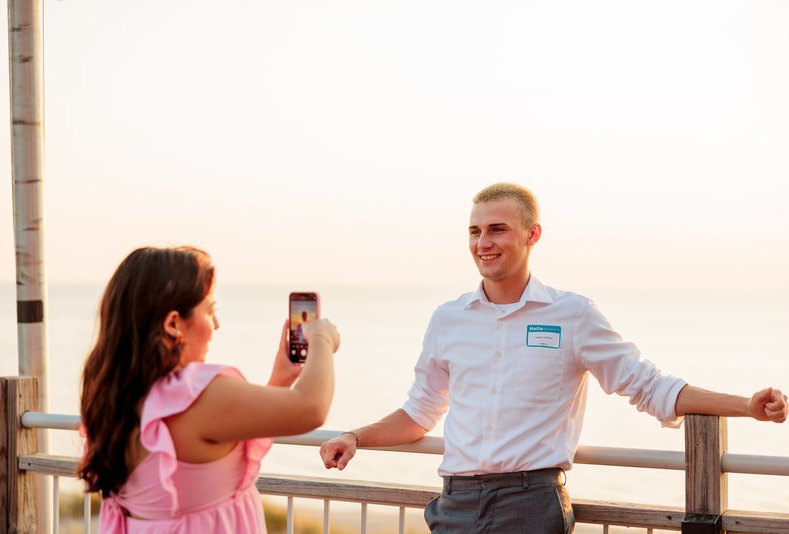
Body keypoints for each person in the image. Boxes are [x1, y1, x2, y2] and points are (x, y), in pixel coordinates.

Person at [319, 183, 787, 534]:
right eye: (475, 231)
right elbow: (420, 412)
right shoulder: (448, 319)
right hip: (454, 506)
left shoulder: (573, 314)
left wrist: (745, 406)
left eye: (497, 229)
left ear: (532, 234)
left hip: (531, 505)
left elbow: (648, 386)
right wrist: (355, 436)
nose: (484, 242)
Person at [78, 246, 340, 533]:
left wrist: (278, 383)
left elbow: (202, 470)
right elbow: (311, 407)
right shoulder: (197, 397)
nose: (216, 324)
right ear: (174, 324)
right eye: (210, 310)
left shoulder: (114, 398)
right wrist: (322, 341)